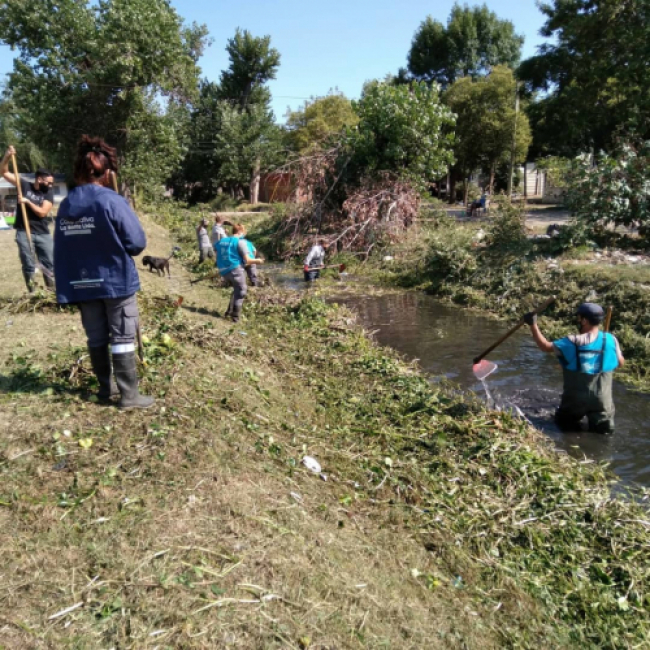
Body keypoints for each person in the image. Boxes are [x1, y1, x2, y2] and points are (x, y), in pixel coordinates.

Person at [53, 135, 153, 409]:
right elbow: (136, 243)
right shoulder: (111, 200)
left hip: (82, 283)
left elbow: (62, 246)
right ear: (106, 172)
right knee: (121, 336)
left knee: (96, 336)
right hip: (115, 282)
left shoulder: (66, 204)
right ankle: (129, 396)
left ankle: (104, 389)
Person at [525, 302, 624, 433]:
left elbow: (544, 346)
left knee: (564, 427)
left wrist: (533, 325)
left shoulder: (572, 341)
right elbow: (620, 362)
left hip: (575, 400)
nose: (578, 321)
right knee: (603, 434)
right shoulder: (611, 339)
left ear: (584, 320)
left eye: (579, 318)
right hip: (602, 400)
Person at [1, 146, 55, 291]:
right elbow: (4, 172)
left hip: (43, 233)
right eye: (48, 182)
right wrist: (7, 156)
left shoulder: (48, 194)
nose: (50, 185)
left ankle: (51, 291)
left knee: (49, 263)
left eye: (51, 183)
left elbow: (42, 213)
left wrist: (27, 201)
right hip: (24, 231)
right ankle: (33, 293)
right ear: (39, 179)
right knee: (28, 263)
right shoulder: (24, 185)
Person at [214, 223, 263, 322]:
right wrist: (258, 260)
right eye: (244, 232)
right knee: (241, 291)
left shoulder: (222, 241)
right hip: (235, 270)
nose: (244, 234)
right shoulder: (240, 242)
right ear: (241, 231)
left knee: (236, 289)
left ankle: (228, 312)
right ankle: (235, 317)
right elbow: (248, 260)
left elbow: (216, 250)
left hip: (223, 270)